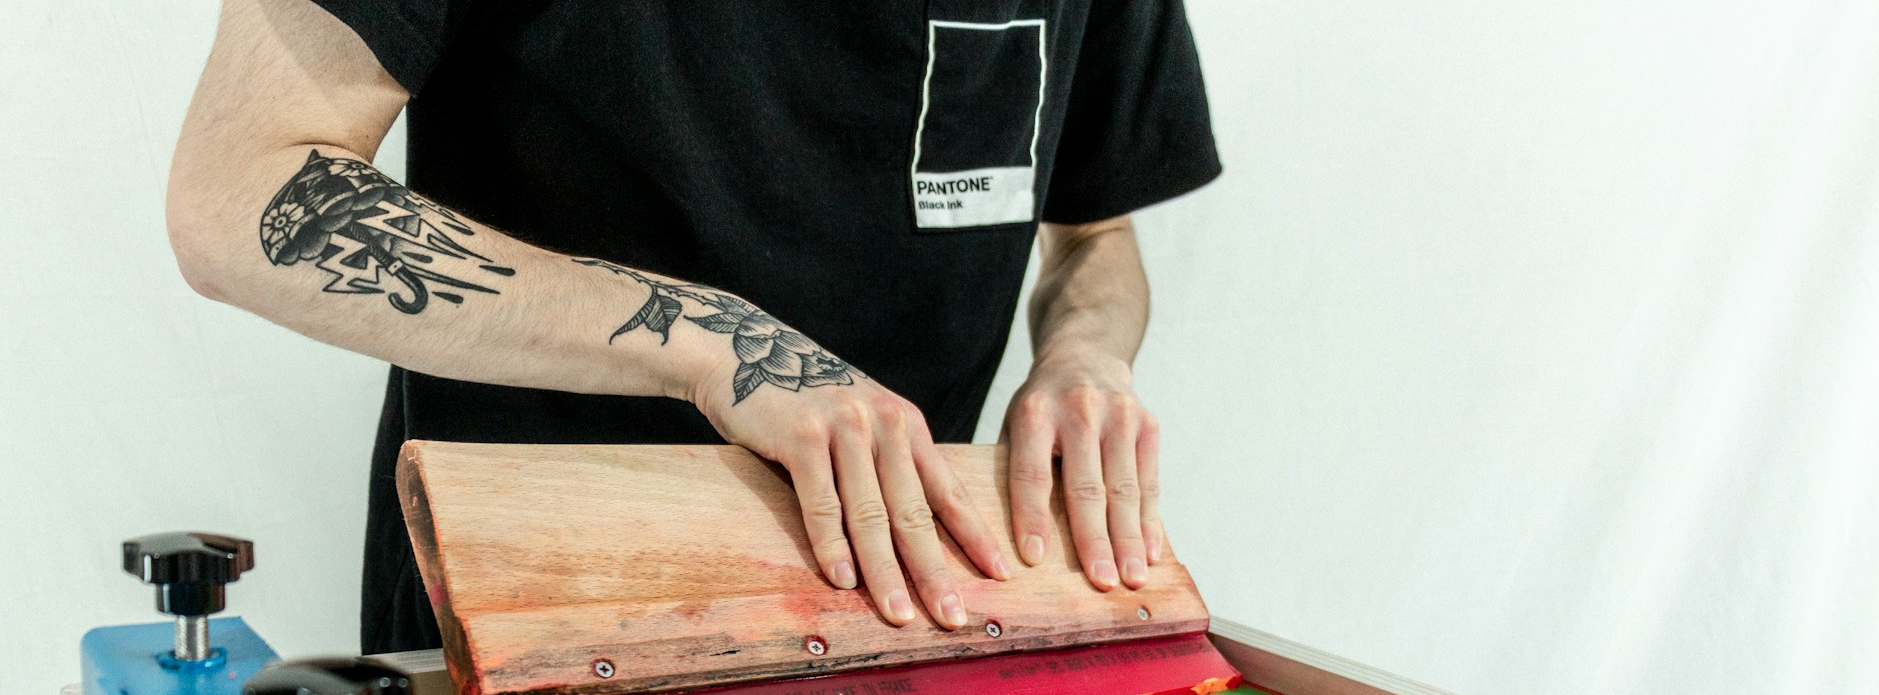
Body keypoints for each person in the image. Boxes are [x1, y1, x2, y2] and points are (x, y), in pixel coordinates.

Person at [167, 0, 1221, 653]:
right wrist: (713, 341)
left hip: (908, 615)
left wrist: (1085, 349)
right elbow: (240, 193)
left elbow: (1094, 231)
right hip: (536, 627)